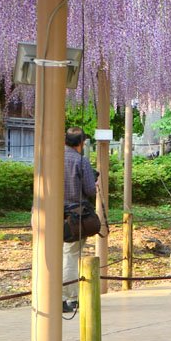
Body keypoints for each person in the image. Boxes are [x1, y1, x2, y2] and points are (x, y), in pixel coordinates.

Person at [63, 127, 98, 314]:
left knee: (55, 255)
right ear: (81, 143)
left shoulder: (53, 157)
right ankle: (70, 297)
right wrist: (95, 182)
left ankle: (51, 295)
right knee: (71, 255)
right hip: (74, 216)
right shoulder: (80, 160)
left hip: (51, 214)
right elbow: (90, 190)